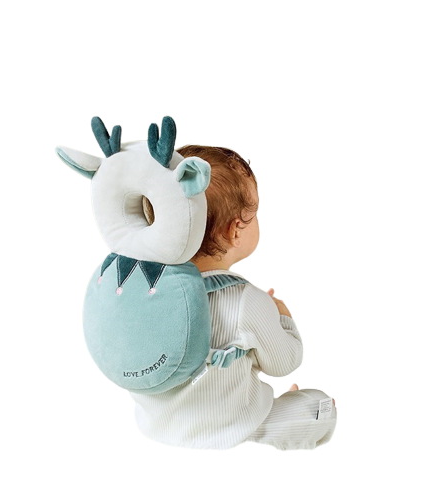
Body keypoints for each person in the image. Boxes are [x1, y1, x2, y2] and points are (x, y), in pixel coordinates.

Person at [132, 144, 338, 451]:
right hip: (230, 422)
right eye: (256, 214)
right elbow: (286, 363)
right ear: (235, 231)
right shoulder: (246, 301)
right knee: (321, 409)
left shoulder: (140, 291)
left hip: (158, 425)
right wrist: (281, 315)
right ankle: (257, 426)